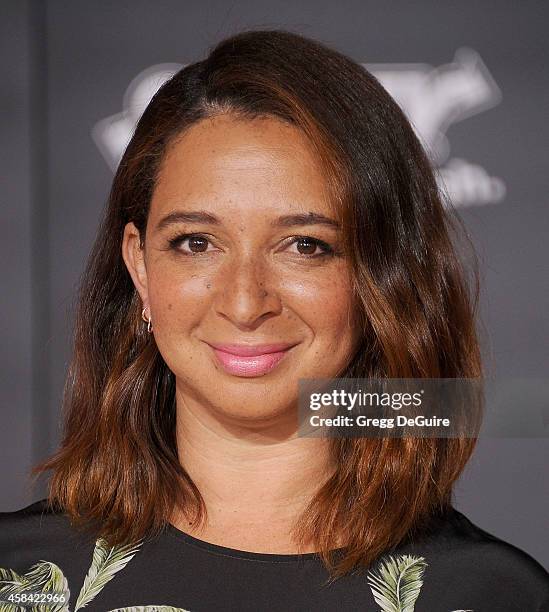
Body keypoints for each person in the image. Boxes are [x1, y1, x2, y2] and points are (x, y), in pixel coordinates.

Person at [1, 28, 547, 612]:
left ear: (381, 273)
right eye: (195, 242)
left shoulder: (494, 595)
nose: (244, 302)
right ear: (139, 265)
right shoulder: (17, 574)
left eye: (305, 245)